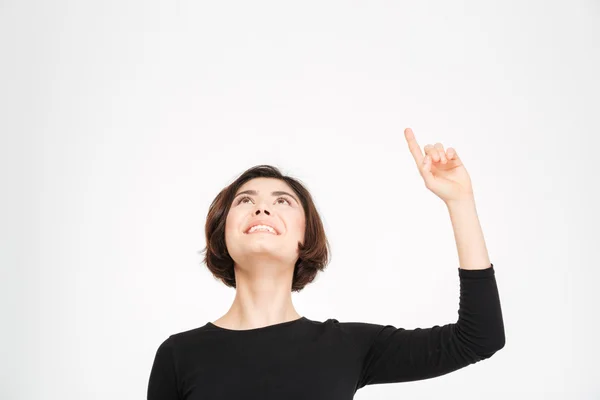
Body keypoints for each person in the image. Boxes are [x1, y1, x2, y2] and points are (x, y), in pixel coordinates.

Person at [147, 128, 505, 399]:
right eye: (245, 200)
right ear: (223, 233)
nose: (262, 208)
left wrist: (460, 202)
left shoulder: (347, 347)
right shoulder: (179, 355)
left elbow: (479, 338)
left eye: (282, 201)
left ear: (305, 237)